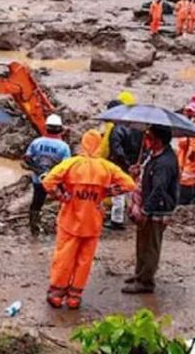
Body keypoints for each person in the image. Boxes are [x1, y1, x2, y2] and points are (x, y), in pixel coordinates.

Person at [43, 130, 136, 309]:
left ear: (83, 144)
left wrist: (60, 196)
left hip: (70, 219)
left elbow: (48, 182)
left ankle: (56, 293)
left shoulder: (71, 164)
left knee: (64, 257)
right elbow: (130, 184)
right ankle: (74, 297)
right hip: (92, 221)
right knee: (84, 260)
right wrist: (107, 192)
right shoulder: (106, 167)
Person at [123, 125, 178, 294]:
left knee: (151, 245)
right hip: (150, 205)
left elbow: (159, 189)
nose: (146, 140)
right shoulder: (155, 155)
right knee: (142, 242)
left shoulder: (164, 163)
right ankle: (140, 273)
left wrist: (146, 210)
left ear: (157, 141)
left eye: (149, 137)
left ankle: (146, 281)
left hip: (157, 209)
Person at [24, 114, 72, 236]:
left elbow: (27, 158)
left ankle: (34, 228)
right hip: (57, 181)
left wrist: (39, 169)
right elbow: (66, 166)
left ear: (46, 127)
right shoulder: (64, 147)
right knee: (64, 202)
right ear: (60, 129)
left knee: (36, 203)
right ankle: (63, 225)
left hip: (38, 180)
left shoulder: (37, 142)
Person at [102, 91, 142, 230]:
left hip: (121, 166)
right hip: (135, 163)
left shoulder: (117, 130)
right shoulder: (137, 127)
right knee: (132, 191)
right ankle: (133, 214)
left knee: (118, 195)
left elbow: (117, 151)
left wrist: (124, 165)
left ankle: (117, 221)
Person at [178, 95, 195, 205]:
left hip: (190, 166)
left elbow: (193, 147)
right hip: (185, 162)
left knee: (184, 194)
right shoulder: (190, 122)